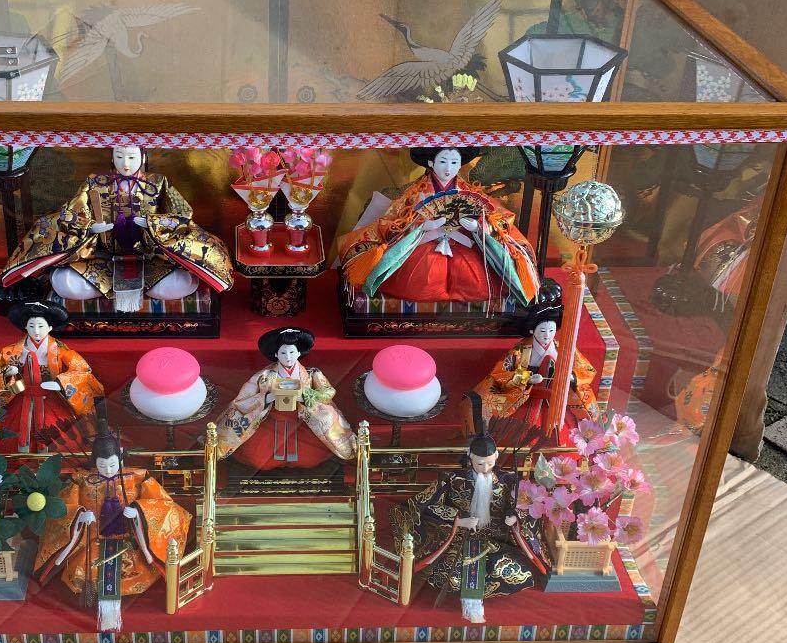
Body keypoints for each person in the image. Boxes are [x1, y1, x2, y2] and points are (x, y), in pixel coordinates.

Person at [0, 145, 233, 313]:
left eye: (131, 157)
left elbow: (183, 215)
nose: (125, 164)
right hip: (103, 258)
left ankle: (143, 289)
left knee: (180, 283)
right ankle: (120, 290)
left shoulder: (158, 182)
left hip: (151, 258)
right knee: (64, 283)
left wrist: (153, 223)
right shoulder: (94, 182)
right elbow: (69, 214)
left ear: (143, 156)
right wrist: (91, 227)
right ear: (112, 157)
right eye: (119, 156)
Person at [392, 393, 546, 623]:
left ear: (496, 456)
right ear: (470, 457)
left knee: (515, 572)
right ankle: (470, 601)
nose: (485, 468)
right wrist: (457, 520)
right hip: (460, 538)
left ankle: (480, 597)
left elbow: (524, 505)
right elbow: (425, 504)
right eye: (480, 463)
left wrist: (515, 518)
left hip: (497, 539)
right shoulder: (453, 479)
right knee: (453, 576)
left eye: (490, 462)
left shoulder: (508, 481)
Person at [33, 419, 191, 631]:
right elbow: (63, 509)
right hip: (93, 540)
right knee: (86, 572)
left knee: (135, 569)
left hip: (128, 542)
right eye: (102, 465)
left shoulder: (137, 478)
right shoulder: (82, 481)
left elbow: (164, 506)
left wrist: (139, 511)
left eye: (112, 465)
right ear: (94, 462)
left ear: (121, 458)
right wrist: (80, 515)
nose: (108, 470)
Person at [337, 147, 538, 306]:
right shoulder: (415, 193)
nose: (448, 168)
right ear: (431, 163)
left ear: (460, 165)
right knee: (421, 278)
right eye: (443, 161)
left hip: (464, 243)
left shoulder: (470, 192)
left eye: (454, 162)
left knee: (475, 278)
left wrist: (477, 227)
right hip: (424, 243)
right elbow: (393, 221)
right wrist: (422, 226)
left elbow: (498, 218)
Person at [215, 327, 356, 469]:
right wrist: (267, 397)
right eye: (283, 352)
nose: (288, 357)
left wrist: (306, 397)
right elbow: (243, 400)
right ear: (276, 354)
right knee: (258, 457)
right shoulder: (264, 376)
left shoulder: (312, 373)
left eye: (292, 352)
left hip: (303, 421)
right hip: (271, 420)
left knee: (310, 458)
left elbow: (328, 392)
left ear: (299, 352)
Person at [474, 279, 598, 440]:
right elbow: (500, 374)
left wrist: (572, 377)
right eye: (542, 331)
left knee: (565, 435)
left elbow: (587, 370)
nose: (547, 335)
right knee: (519, 436)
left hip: (558, 401)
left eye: (551, 330)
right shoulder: (520, 351)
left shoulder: (564, 348)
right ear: (532, 330)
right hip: (527, 399)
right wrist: (526, 378)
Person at [0, 301, 103, 454]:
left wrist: (61, 382)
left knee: (62, 438)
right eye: (31, 326)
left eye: (41, 326)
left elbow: (82, 369)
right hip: (22, 396)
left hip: (51, 396)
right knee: (11, 437)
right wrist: (8, 373)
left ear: (50, 327)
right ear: (25, 327)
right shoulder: (10, 352)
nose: (36, 331)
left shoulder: (60, 350)